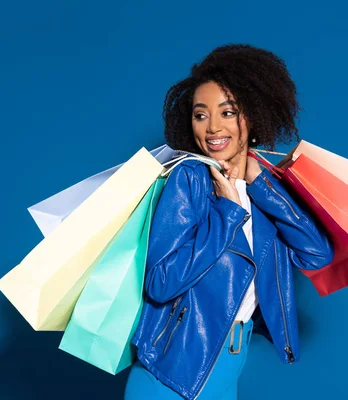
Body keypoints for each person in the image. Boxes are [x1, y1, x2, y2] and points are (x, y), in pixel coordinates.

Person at [124, 44, 334, 400]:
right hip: (171, 372)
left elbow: (317, 254)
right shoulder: (189, 178)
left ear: (252, 116)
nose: (213, 127)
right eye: (200, 115)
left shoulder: (264, 190)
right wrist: (227, 214)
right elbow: (160, 282)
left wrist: (263, 187)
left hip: (227, 369)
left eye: (227, 112)